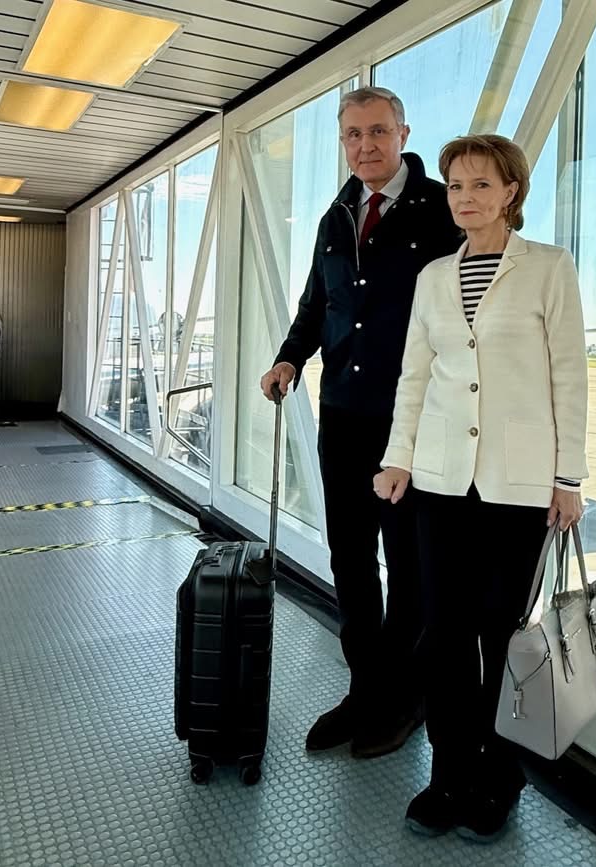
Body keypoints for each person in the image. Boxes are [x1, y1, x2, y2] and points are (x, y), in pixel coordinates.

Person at [373, 134, 588, 842]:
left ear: (511, 192)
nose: (465, 197)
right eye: (457, 186)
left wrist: (568, 477)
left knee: (500, 631)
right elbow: (415, 374)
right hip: (440, 480)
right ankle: (448, 772)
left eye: (481, 185)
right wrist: (398, 458)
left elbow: (570, 376)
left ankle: (500, 775)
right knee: (443, 632)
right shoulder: (435, 276)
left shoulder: (548, 268)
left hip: (517, 485)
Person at [258, 87, 460, 758]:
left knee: (407, 563)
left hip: (411, 419)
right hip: (343, 414)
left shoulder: (441, 210)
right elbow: (317, 305)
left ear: (403, 133)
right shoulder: (336, 215)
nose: (365, 144)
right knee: (349, 556)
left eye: (377, 131)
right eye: (353, 134)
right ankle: (365, 687)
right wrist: (289, 358)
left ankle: (405, 697)